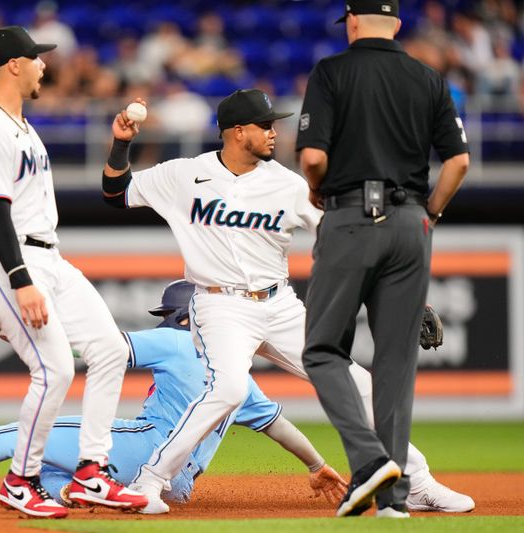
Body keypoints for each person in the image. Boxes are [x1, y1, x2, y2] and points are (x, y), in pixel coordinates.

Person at [100, 88, 472, 516]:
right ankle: (149, 482)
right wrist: (122, 142)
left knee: (361, 385)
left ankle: (417, 483)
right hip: (221, 307)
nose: (275, 133)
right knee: (229, 390)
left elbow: (350, 243)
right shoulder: (185, 174)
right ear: (238, 133)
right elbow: (116, 192)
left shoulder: (289, 185)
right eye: (266, 126)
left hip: (279, 305)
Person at [0, 281, 471, 513]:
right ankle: (78, 495)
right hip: (180, 483)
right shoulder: (243, 377)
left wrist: (19, 321)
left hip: (143, 448)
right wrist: (317, 467)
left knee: (24, 431)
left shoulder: (176, 342)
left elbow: (100, 346)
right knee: (56, 474)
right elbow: (279, 425)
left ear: (184, 315)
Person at [0, 26, 146, 518]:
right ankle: (20, 480)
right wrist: (20, 282)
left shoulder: (22, 126)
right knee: (56, 368)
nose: (44, 65)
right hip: (6, 256)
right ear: (13, 65)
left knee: (109, 349)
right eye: (36, 58)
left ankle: (90, 474)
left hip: (50, 256)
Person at [296, 0, 470, 519]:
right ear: (396, 23)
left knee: (322, 350)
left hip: (352, 216)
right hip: (412, 225)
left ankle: (368, 461)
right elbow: (458, 162)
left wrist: (317, 191)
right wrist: (429, 214)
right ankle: (393, 502)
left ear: (352, 21)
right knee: (395, 365)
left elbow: (312, 157)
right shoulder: (428, 77)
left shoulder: (332, 71)